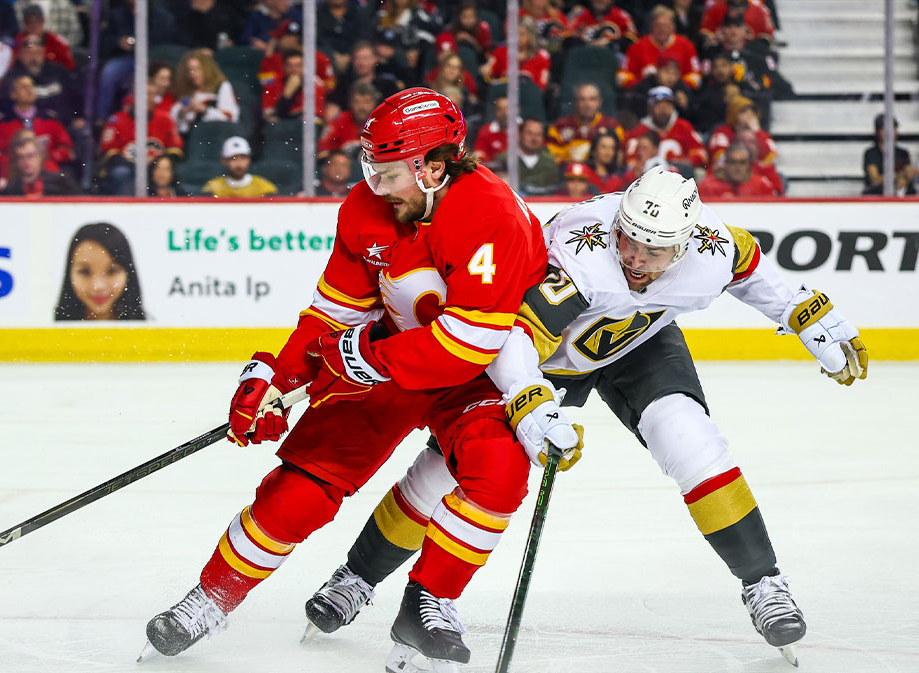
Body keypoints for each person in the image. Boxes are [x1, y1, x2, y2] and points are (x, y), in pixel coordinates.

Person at [305, 166, 868, 668]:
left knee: (692, 442)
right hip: (544, 354)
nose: (634, 258)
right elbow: (514, 337)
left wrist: (809, 314)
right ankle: (358, 576)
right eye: (629, 240)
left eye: (653, 252)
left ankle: (764, 584)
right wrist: (530, 403)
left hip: (640, 342)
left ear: (687, 244)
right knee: (450, 470)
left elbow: (751, 273)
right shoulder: (582, 251)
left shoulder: (713, 248)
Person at [141, 89, 552, 673]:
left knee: (500, 470)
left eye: (385, 172)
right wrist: (278, 375)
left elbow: (470, 345)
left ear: (433, 167)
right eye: (370, 168)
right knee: (307, 481)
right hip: (392, 352)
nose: (373, 184)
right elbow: (334, 312)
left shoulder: (491, 214)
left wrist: (368, 356)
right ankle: (212, 597)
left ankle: (429, 602)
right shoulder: (366, 208)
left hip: (479, 371)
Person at [0, 74, 75, 176]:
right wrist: (17, 162)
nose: (29, 90)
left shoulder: (49, 119)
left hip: (49, 176)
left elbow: (67, 150)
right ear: (13, 94)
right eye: (24, 87)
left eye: (31, 87)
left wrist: (46, 157)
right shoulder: (3, 123)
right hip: (13, 177)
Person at [54, 223, 146, 321]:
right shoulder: (47, 328)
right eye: (85, 272)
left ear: (128, 273)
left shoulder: (148, 332)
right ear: (69, 273)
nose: (98, 286)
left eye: (112, 271)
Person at [625, 86, 707, 171]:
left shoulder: (683, 126)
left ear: (673, 107)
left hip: (681, 176)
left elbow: (701, 153)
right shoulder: (639, 131)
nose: (663, 110)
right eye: (658, 106)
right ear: (650, 108)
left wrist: (688, 161)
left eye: (667, 105)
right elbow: (630, 161)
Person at [619, 5, 701, 89]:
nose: (662, 29)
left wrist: (675, 83)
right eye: (658, 25)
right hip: (644, 93)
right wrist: (643, 83)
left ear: (673, 27)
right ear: (651, 26)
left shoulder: (686, 45)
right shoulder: (637, 47)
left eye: (666, 25)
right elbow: (622, 76)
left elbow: (696, 77)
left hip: (677, 93)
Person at [168, 49, 240, 138]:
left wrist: (203, 110)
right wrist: (183, 112)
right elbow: (175, 122)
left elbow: (230, 118)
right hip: (191, 137)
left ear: (206, 69)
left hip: (217, 135)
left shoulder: (221, 87)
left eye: (197, 69)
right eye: (190, 70)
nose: (193, 74)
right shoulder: (187, 91)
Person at [547, 82, 624, 163]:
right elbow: (551, 159)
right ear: (574, 103)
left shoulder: (613, 126)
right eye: (582, 99)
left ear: (599, 102)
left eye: (592, 99)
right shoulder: (559, 126)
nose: (587, 104)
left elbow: (619, 158)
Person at [0, 133, 82, 196]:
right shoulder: (11, 190)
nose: (26, 161)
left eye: (30, 156)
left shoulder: (62, 183)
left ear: (40, 157)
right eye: (21, 157)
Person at [261, 48, 325, 124]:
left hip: (302, 125)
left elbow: (314, 115)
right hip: (279, 125)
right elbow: (268, 114)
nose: (294, 69)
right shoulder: (274, 82)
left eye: (298, 65)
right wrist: (287, 94)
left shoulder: (314, 83)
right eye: (290, 65)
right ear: (284, 67)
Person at [201, 136, 278, 198]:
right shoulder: (213, 187)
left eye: (243, 158)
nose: (239, 164)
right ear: (224, 161)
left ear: (249, 160)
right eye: (233, 158)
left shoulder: (263, 187)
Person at [698, 142, 779, 197]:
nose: (738, 167)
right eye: (733, 162)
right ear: (725, 163)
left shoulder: (762, 185)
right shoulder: (707, 186)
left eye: (742, 162)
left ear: (748, 164)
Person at [861, 114, 915, 196]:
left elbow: (908, 173)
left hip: (903, 195)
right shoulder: (871, 153)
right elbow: (874, 179)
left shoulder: (903, 153)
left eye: (893, 128)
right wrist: (898, 176)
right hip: (877, 196)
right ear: (876, 131)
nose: (889, 131)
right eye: (884, 128)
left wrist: (909, 174)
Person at [14, 4, 75, 71]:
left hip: (54, 77)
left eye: (38, 21)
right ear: (24, 24)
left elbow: (69, 68)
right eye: (29, 22)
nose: (34, 25)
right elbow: (12, 65)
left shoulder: (57, 42)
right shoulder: (18, 41)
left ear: (44, 21)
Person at [563, 0, 638, 54]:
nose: (600, 0)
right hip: (584, 60)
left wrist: (612, 44)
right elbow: (566, 38)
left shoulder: (621, 16)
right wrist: (588, 44)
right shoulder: (581, 15)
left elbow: (633, 40)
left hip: (613, 61)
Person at [516, 117, 560, 196]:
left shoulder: (550, 163)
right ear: (520, 134)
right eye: (529, 133)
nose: (534, 138)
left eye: (538, 134)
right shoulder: (506, 159)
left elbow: (552, 191)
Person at [586, 128, 625, 192]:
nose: (608, 152)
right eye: (603, 147)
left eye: (612, 148)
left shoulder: (619, 175)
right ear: (594, 150)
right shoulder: (585, 174)